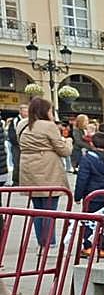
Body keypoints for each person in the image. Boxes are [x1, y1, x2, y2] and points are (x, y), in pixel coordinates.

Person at [17, 98, 71, 248]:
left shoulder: (22, 124)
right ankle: (49, 240)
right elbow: (63, 150)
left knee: (38, 207)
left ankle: (42, 240)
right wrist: (68, 141)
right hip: (47, 168)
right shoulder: (48, 126)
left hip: (28, 167)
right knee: (50, 207)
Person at [74, 131, 104, 257]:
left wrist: (78, 195)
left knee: (89, 220)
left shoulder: (88, 158)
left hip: (92, 194)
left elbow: (82, 178)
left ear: (91, 143)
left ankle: (88, 246)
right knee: (103, 221)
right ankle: (102, 247)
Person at [6, 104, 28, 183]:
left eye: (27, 111)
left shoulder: (29, 121)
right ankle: (16, 181)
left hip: (27, 146)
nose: (26, 113)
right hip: (17, 146)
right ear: (20, 111)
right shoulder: (15, 121)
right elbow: (11, 135)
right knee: (17, 163)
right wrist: (19, 143)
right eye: (25, 111)